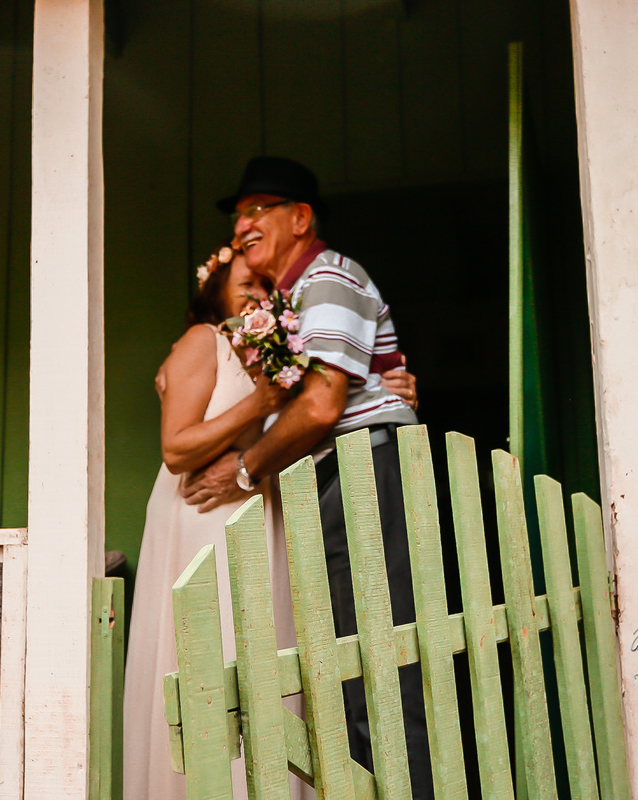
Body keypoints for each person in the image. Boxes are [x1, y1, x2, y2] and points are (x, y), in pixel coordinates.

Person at [122, 241, 417, 799]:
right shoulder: (203, 340)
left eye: (266, 287)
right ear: (216, 291)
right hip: (204, 513)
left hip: (259, 505)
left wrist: (386, 387)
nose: (259, 295)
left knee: (270, 658)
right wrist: (258, 405)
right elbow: (176, 449)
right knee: (214, 650)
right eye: (245, 285)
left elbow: (321, 405)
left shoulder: (281, 359)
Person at [181, 156, 434, 799]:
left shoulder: (327, 278)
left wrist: (244, 470)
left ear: (300, 218)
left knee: (381, 662)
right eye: (238, 216)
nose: (242, 225)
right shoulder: (290, 299)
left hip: (360, 473)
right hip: (330, 478)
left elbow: (321, 406)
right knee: (353, 664)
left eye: (257, 210)